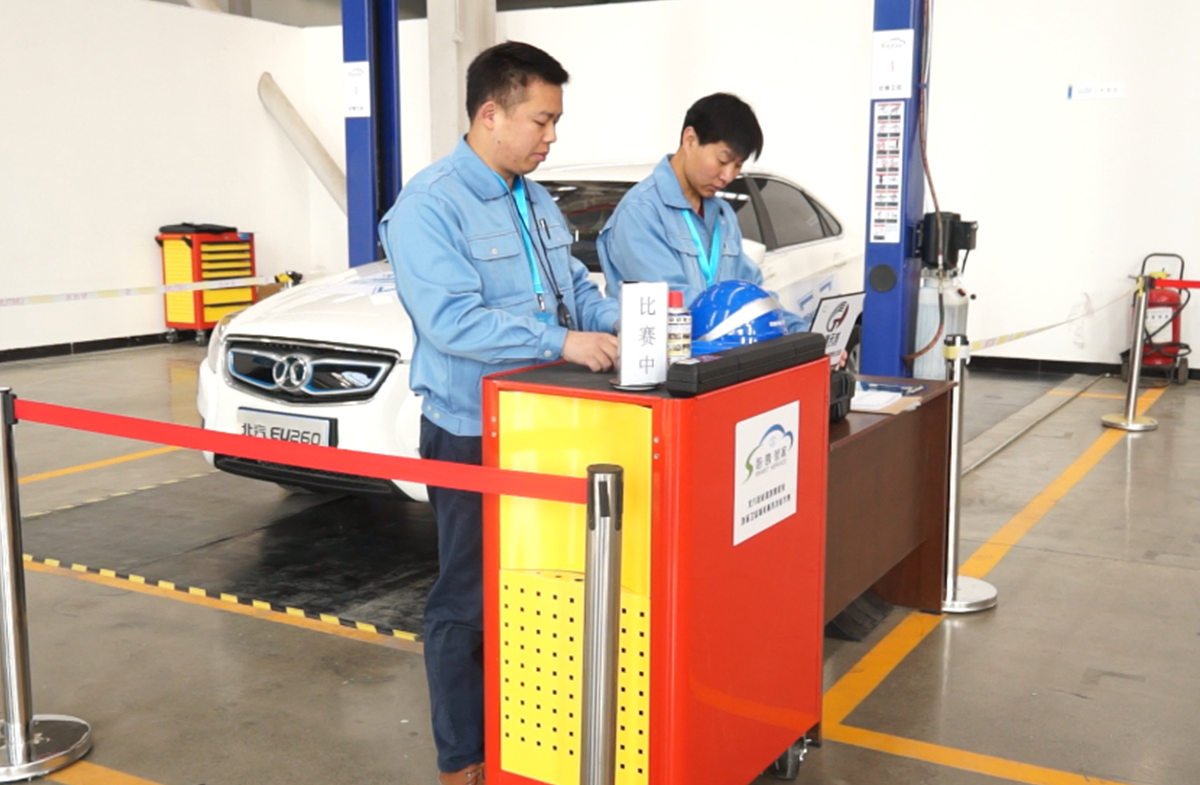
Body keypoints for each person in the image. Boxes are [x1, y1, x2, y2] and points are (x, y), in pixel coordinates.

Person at [378, 41, 619, 785]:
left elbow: (573, 289)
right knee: (468, 596)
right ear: (491, 114)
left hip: (546, 427)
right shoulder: (428, 206)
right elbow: (452, 321)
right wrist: (561, 342)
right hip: (471, 432)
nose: (552, 137)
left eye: (555, 122)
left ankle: (525, 742)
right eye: (541, 121)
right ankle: (462, 760)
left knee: (537, 588)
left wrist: (630, 325)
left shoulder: (532, 198)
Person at [597, 92, 805, 334]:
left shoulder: (723, 215)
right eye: (723, 160)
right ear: (690, 140)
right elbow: (672, 303)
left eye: (738, 166)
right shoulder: (641, 213)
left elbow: (753, 293)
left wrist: (802, 333)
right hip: (667, 355)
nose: (728, 176)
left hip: (721, 352)